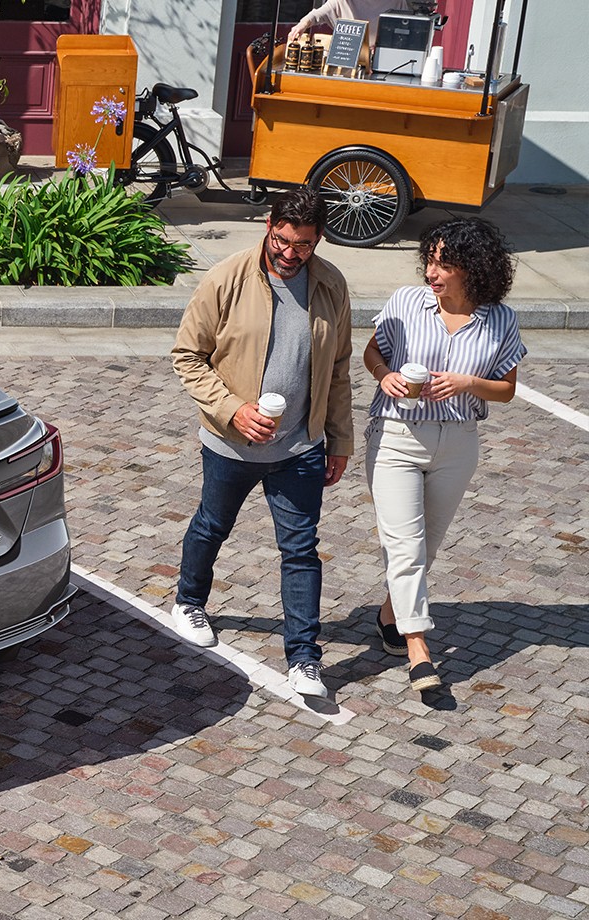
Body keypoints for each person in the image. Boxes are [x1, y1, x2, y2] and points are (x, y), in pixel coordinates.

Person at [169, 187, 355, 698]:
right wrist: (234, 410)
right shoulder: (226, 278)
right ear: (269, 226)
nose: (291, 254)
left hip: (300, 448)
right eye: (284, 240)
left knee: (301, 550)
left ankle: (304, 659)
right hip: (231, 445)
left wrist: (338, 439)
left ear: (318, 241)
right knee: (212, 525)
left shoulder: (330, 285)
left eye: (304, 245)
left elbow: (338, 368)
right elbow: (188, 356)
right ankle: (188, 601)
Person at [362, 218, 525, 693]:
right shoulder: (407, 302)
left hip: (458, 442)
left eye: (445, 264)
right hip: (396, 433)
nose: (432, 272)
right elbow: (374, 353)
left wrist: (467, 382)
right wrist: (383, 375)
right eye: (430, 260)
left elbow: (507, 390)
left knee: (426, 548)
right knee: (406, 547)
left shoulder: (500, 319)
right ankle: (419, 650)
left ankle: (391, 615)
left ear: (472, 269)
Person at [289, 0, 398, 38]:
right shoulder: (343, 1)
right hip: (348, 59)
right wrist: (302, 25)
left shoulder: (396, 2)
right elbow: (318, 14)